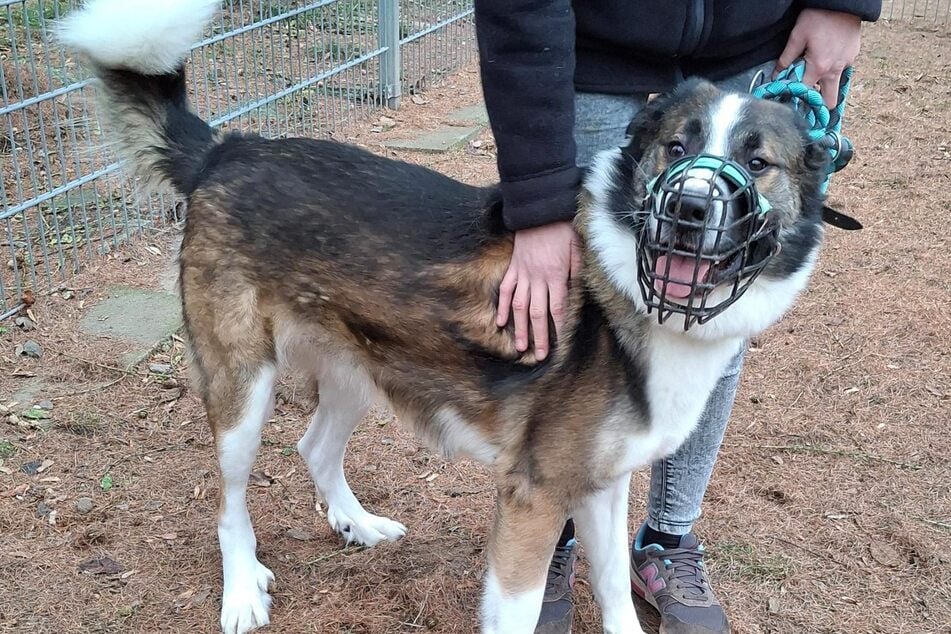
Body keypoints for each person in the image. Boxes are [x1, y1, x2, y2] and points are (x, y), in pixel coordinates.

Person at [472, 1, 881, 632]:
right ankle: (551, 527)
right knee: (566, 299)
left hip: (756, 34)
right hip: (590, 39)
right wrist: (541, 206)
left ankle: (667, 538)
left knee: (719, 309)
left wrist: (843, 1)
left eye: (757, 165)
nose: (697, 193)